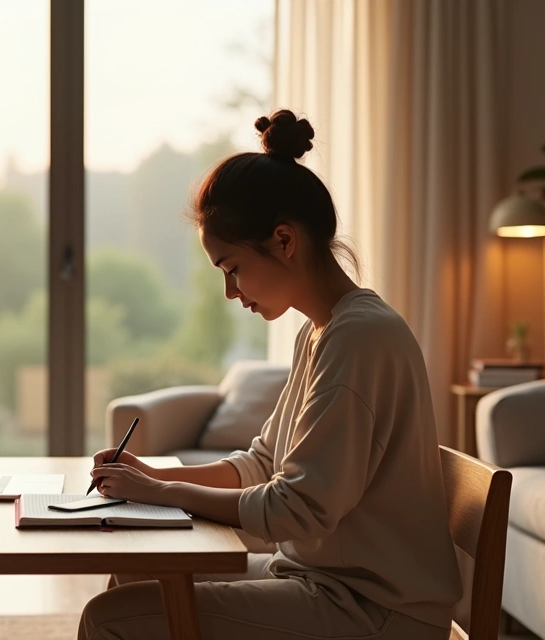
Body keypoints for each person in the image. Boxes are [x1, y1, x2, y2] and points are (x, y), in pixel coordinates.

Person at [82, 110, 462, 640]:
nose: (231, 292)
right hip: (325, 580)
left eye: (232, 268)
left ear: (285, 240)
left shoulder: (360, 338)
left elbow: (296, 510)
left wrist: (164, 491)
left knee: (107, 619)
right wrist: (149, 478)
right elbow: (262, 463)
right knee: (136, 573)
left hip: (373, 609)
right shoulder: (323, 331)